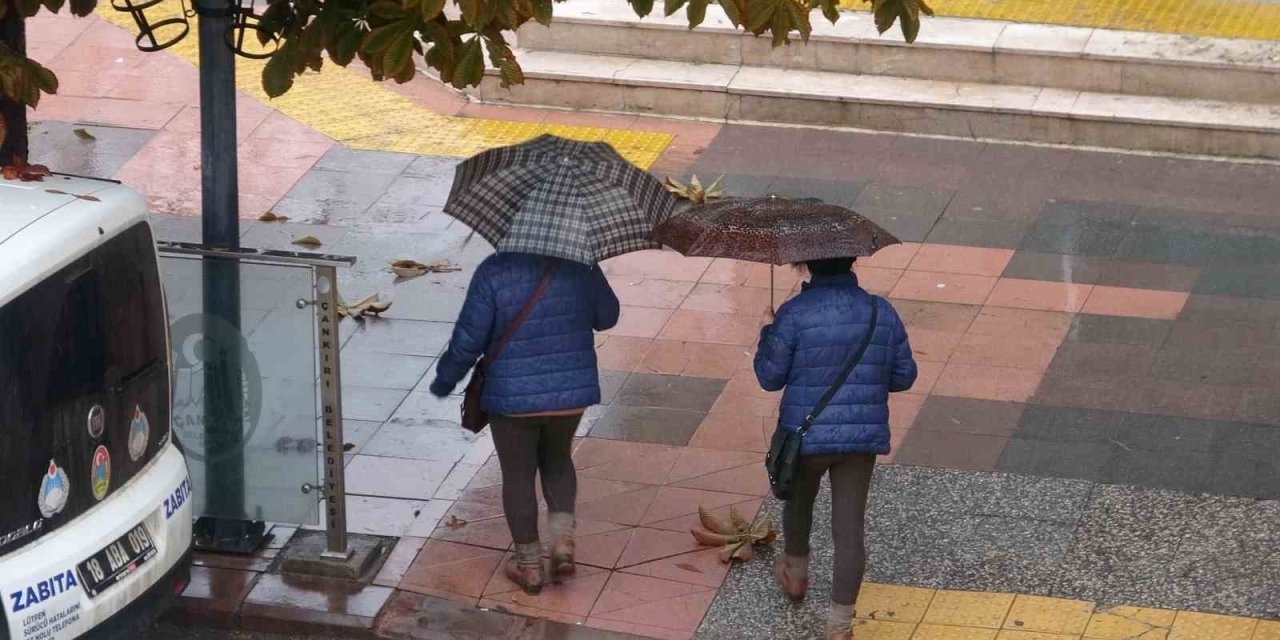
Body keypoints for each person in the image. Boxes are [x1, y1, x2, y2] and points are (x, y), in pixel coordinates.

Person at [429, 251, 620, 594]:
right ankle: (562, 543)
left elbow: (468, 339)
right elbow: (607, 317)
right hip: (569, 393)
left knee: (518, 476)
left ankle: (529, 565)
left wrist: (445, 380)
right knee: (558, 460)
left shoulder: (494, 270)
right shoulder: (581, 264)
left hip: (512, 396)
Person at [753, 257, 917, 640]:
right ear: (852, 260)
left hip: (804, 436)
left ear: (806, 263)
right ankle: (839, 626)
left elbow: (769, 377)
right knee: (849, 529)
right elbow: (904, 376)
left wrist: (767, 331)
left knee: (798, 501)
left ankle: (795, 574)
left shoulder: (793, 314)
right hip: (861, 439)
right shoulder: (881, 311)